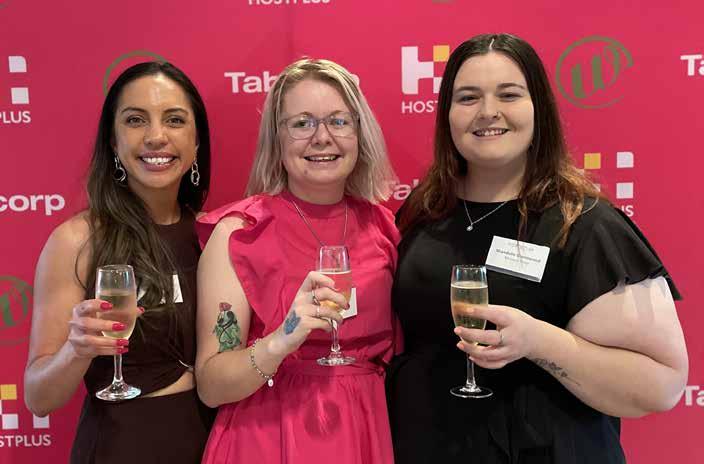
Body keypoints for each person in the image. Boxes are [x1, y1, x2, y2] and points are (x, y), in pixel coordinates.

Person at [386, 33, 688, 463]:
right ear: (447, 114)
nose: (487, 111)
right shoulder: (423, 212)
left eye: (508, 94)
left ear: (538, 108)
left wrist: (539, 341)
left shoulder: (586, 224)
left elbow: (661, 385)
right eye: (468, 97)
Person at [195, 58, 399, 463]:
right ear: (277, 139)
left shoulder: (383, 226)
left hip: (364, 431)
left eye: (338, 121)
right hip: (267, 438)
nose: (322, 138)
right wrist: (280, 342)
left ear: (359, 133)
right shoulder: (239, 233)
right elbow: (211, 386)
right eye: (302, 123)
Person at [24, 61, 215, 463]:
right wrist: (76, 350)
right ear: (113, 141)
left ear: (197, 141)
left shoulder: (215, 236)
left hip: (215, 447)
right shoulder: (78, 240)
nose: (157, 136)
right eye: (135, 120)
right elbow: (39, 397)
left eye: (175, 120)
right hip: (122, 448)